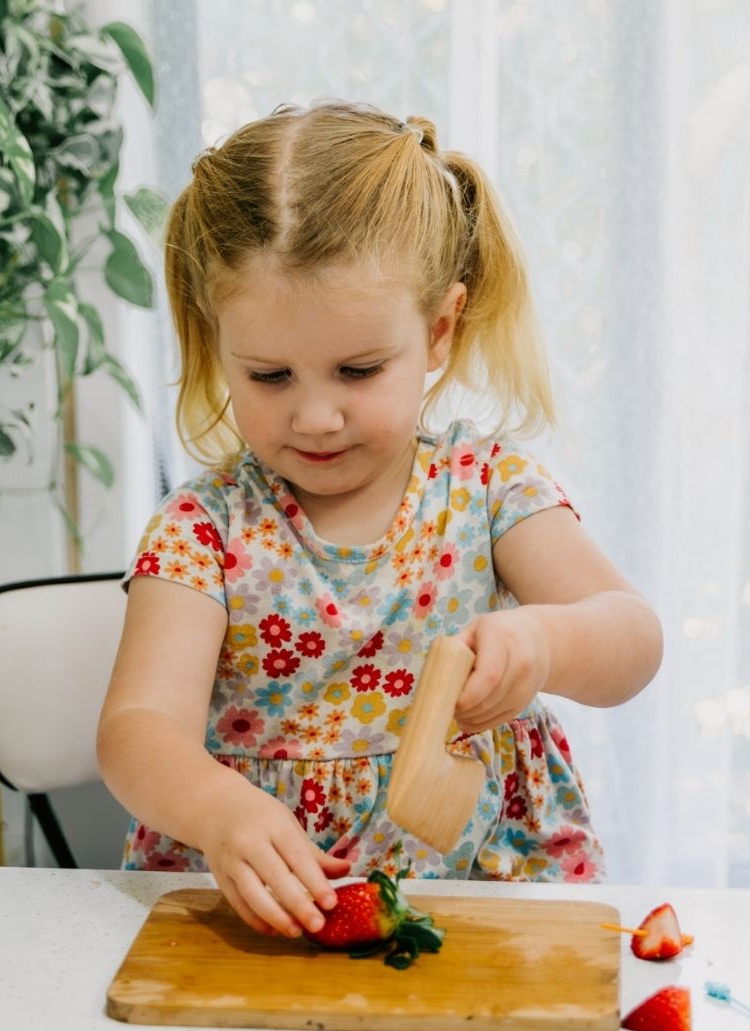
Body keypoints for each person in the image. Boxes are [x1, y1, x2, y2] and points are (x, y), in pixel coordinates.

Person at [96, 101, 663, 941]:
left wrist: (545, 643)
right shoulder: (200, 531)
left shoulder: (488, 489)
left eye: (357, 370)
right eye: (270, 375)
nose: (316, 416)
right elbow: (137, 729)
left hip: (484, 892)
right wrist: (217, 810)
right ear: (219, 348)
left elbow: (632, 641)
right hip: (265, 908)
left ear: (438, 331)